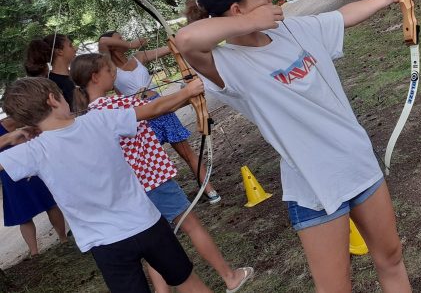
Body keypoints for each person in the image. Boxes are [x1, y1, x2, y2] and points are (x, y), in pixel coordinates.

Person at [176, 0, 414, 292]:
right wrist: (248, 24)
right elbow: (186, 40)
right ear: (235, 9)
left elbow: (343, 16)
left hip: (358, 164)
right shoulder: (226, 66)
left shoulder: (294, 30)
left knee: (391, 259)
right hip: (314, 187)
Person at [0, 76, 212, 293]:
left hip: (106, 244)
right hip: (147, 224)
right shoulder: (99, 120)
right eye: (63, 97)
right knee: (187, 281)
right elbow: (154, 108)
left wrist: (8, 139)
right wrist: (188, 91)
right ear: (53, 100)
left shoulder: (33, 151)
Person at [71, 53, 253, 293]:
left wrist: (187, 95)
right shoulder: (116, 105)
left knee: (154, 241)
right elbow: (156, 107)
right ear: (95, 77)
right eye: (108, 71)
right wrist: (189, 92)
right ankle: (230, 277)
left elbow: (160, 107)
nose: (113, 73)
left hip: (131, 189)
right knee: (191, 225)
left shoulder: (87, 117)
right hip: (153, 180)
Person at [97, 32, 220, 204]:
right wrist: (132, 43)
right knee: (153, 161)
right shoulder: (109, 66)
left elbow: (171, 48)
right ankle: (170, 200)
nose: (123, 40)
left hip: (161, 107)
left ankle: (208, 189)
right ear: (112, 45)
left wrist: (176, 39)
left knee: (186, 152)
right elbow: (102, 41)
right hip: (141, 115)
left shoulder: (139, 56)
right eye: (119, 38)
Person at [0, 116, 68, 257]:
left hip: (28, 163)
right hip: (8, 172)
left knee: (49, 203)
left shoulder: (8, 122)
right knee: (23, 214)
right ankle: (34, 252)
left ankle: (63, 239)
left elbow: (34, 123)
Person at [25, 34, 78, 110]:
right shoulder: (52, 85)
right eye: (70, 45)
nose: (75, 48)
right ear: (59, 51)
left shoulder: (77, 75)